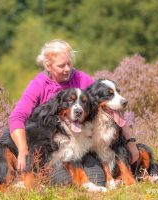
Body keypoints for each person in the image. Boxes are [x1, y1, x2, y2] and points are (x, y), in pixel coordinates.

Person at [8, 39, 139, 185]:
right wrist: (23, 150)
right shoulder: (38, 84)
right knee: (65, 180)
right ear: (48, 65)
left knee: (98, 179)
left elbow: (112, 109)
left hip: (80, 147)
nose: (67, 69)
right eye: (61, 65)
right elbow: (16, 117)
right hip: (51, 150)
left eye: (69, 64)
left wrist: (131, 143)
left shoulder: (81, 79)